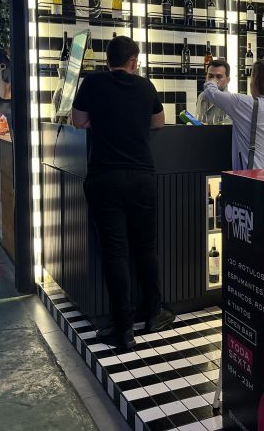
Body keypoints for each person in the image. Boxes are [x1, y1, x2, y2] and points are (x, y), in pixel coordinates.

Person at [71, 36, 173, 350]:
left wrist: (103, 122)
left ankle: (123, 329)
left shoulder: (92, 83)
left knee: (115, 253)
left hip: (105, 178)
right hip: (141, 177)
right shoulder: (146, 86)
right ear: (133, 61)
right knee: (146, 248)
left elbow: (78, 121)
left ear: (108, 61)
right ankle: (153, 313)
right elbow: (159, 122)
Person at [201, 59, 264, 170]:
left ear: (257, 82)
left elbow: (210, 92)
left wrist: (213, 80)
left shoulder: (243, 103)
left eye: (252, 78)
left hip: (256, 174)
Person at [195, 59, 231, 125]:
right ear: (206, 77)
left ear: (227, 80)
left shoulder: (230, 101)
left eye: (219, 77)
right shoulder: (201, 96)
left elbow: (228, 128)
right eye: (210, 76)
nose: (213, 80)